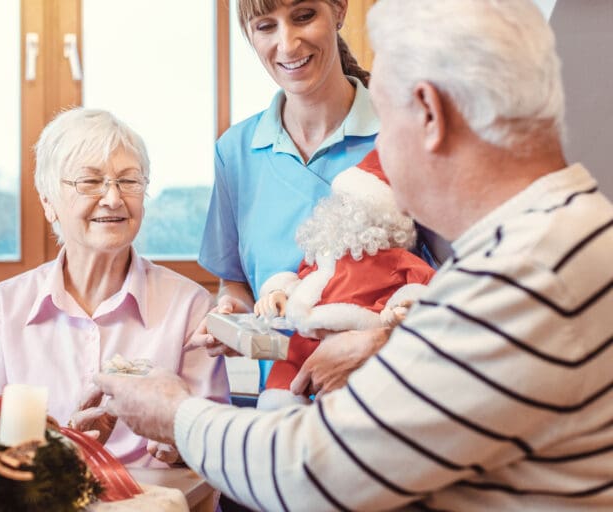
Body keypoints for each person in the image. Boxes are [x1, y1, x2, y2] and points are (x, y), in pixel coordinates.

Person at [87, 0, 613, 509]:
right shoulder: (558, 235)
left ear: (428, 112)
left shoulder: (524, 273)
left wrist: (175, 414)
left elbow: (313, 472)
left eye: (384, 110)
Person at [0, 108, 229, 468]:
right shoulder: (2, 307)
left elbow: (219, 449)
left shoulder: (189, 305)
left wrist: (180, 448)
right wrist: (62, 451)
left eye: (129, 181)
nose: (113, 198)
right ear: (48, 202)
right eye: (90, 182)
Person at [194, 0, 389, 386]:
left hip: (384, 402)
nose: (287, 44)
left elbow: (450, 283)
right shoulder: (235, 153)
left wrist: (380, 340)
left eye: (303, 17)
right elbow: (236, 282)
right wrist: (234, 311)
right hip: (282, 410)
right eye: (266, 26)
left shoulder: (401, 132)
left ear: (339, 10)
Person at [252, 150, 435, 408]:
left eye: (353, 205)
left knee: (345, 408)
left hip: (357, 346)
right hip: (304, 338)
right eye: (342, 202)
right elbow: (301, 280)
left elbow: (423, 287)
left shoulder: (396, 260)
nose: (343, 211)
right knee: (281, 390)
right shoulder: (324, 252)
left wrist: (405, 307)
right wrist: (277, 294)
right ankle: (281, 405)